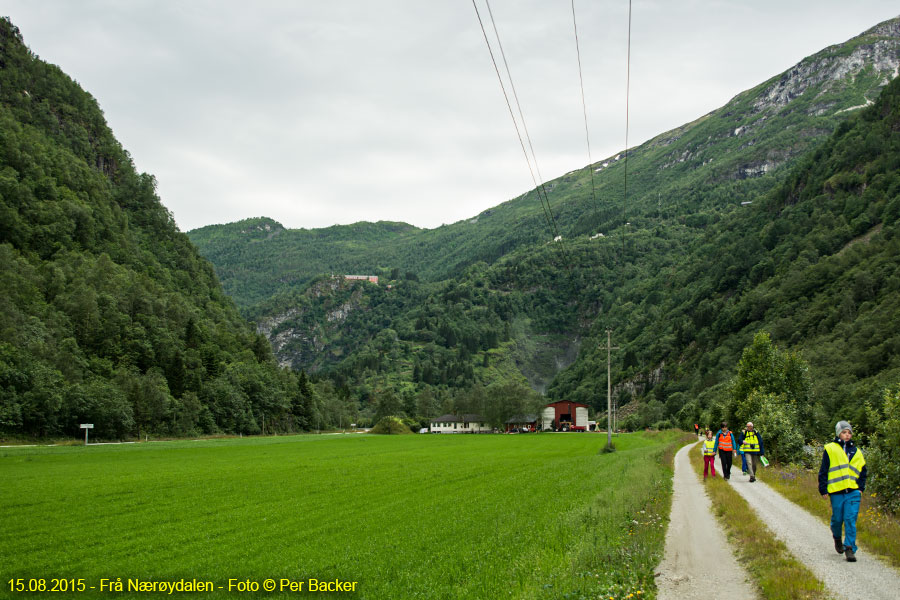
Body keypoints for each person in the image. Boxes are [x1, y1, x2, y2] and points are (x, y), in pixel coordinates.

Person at [819, 421, 866, 563]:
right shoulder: (830, 448)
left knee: (850, 519)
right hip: (836, 491)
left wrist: (860, 488)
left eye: (849, 432)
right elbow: (824, 470)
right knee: (837, 519)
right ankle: (837, 537)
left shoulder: (857, 452)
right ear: (838, 433)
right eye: (844, 432)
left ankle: (850, 548)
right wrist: (823, 488)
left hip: (853, 491)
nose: (847, 435)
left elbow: (863, 471)